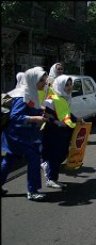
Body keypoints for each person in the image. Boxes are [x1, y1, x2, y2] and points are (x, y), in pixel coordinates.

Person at [1, 67, 48, 200]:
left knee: (9, 160)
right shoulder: (23, 94)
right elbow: (16, 116)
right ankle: (32, 191)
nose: (44, 84)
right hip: (20, 136)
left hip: (16, 135)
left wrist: (40, 111)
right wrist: (35, 119)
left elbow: (31, 107)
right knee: (34, 158)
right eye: (42, 81)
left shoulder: (28, 92)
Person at [41, 75, 81, 189]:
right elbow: (45, 115)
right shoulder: (51, 100)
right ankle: (51, 178)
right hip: (54, 133)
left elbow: (66, 114)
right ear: (59, 85)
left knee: (62, 155)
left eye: (70, 84)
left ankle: (49, 171)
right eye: (66, 85)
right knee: (55, 156)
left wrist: (77, 119)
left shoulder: (65, 98)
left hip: (64, 133)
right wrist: (56, 121)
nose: (69, 87)